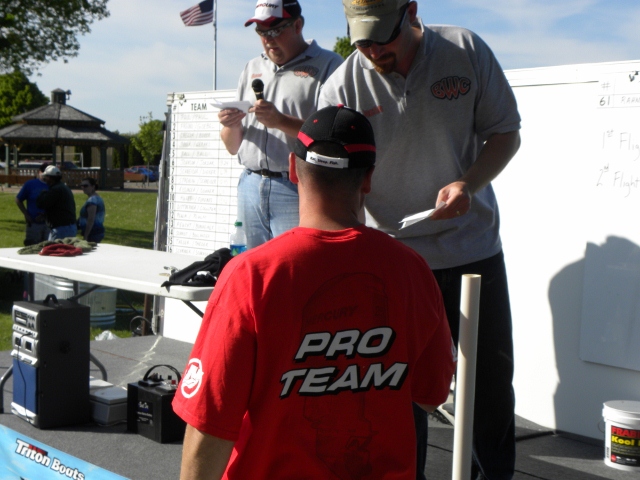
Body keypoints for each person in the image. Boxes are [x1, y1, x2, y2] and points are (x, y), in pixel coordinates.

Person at [173, 106, 456, 480]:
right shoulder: (412, 270)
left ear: (293, 168)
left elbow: (209, 422)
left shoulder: (252, 275)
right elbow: (431, 394)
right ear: (368, 178)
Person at [318, 2, 522, 479]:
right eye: (361, 40)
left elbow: (506, 133)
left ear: (410, 12)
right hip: (393, 260)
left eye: (381, 37)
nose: (372, 52)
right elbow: (334, 179)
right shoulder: (342, 86)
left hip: (473, 250)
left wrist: (468, 184)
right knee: (397, 390)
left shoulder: (464, 49)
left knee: (488, 386)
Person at [218, 0, 342, 249]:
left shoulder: (329, 65)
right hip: (250, 185)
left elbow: (335, 137)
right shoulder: (252, 67)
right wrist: (230, 124)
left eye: (275, 30)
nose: (268, 39)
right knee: (252, 264)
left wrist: (281, 121)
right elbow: (232, 147)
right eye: (261, 31)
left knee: (296, 264)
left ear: (298, 25)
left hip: (298, 188)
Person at [36, 165, 77, 240]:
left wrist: (43, 193)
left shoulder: (55, 190)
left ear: (50, 178)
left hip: (61, 229)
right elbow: (59, 207)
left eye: (46, 177)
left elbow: (41, 203)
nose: (45, 179)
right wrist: (46, 215)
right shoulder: (63, 187)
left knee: (54, 247)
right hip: (68, 226)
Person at [14, 163, 50, 245]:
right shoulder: (30, 184)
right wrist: (26, 214)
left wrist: (45, 215)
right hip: (33, 222)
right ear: (39, 172)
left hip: (49, 223)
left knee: (48, 247)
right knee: (32, 246)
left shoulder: (53, 185)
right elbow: (18, 199)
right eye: (43, 172)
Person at [77, 177, 105, 242]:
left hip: (93, 233)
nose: (83, 188)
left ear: (93, 186)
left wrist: (86, 236)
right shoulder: (96, 198)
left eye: (86, 186)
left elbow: (91, 219)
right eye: (82, 186)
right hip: (95, 232)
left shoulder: (92, 200)